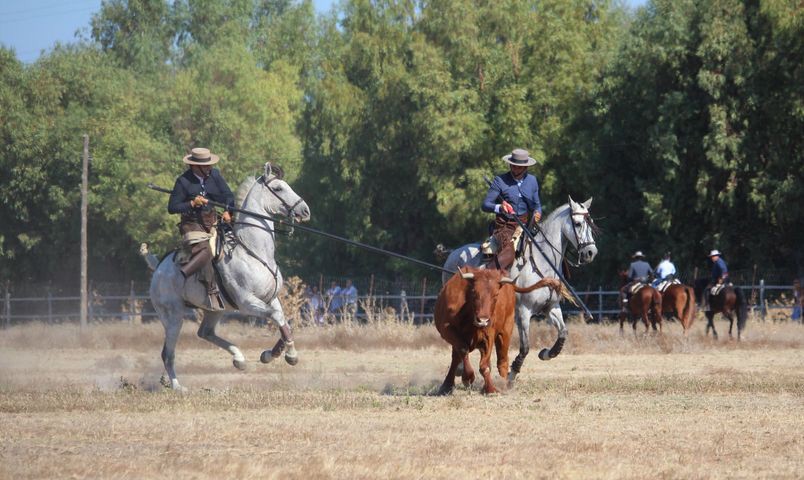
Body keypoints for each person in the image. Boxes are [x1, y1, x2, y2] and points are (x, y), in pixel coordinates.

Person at [168, 147, 234, 310]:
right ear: (195, 166)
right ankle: (195, 282)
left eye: (209, 164)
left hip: (213, 221)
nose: (209, 168)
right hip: (191, 225)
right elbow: (172, 207)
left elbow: (228, 195)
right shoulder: (183, 181)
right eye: (206, 166)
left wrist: (228, 210)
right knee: (206, 251)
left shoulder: (215, 175)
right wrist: (192, 203)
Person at [481, 148, 542, 271]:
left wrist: (538, 213)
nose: (515, 169)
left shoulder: (532, 181)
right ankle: (488, 273)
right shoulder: (500, 180)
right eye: (513, 166)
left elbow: (537, 205)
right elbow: (485, 205)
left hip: (526, 225)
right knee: (509, 252)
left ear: (526, 167)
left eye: (519, 167)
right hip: (505, 226)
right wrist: (500, 207)